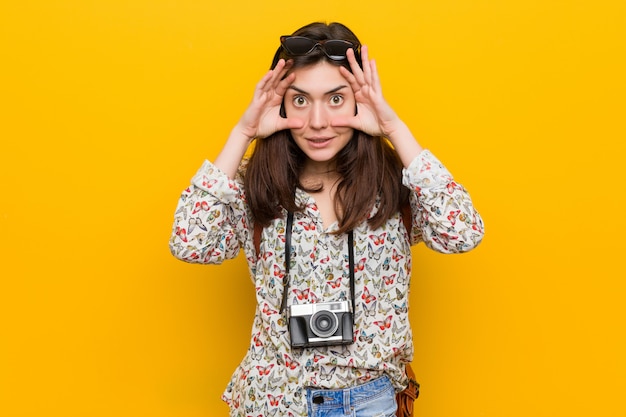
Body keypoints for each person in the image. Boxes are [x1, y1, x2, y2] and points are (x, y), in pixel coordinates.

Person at [169, 21, 484, 417]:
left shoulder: (395, 181)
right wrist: (244, 131)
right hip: (274, 400)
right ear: (281, 103)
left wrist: (393, 128)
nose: (318, 121)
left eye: (336, 99)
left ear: (359, 101)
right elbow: (188, 242)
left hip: (372, 402)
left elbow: (463, 233)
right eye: (300, 100)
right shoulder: (255, 185)